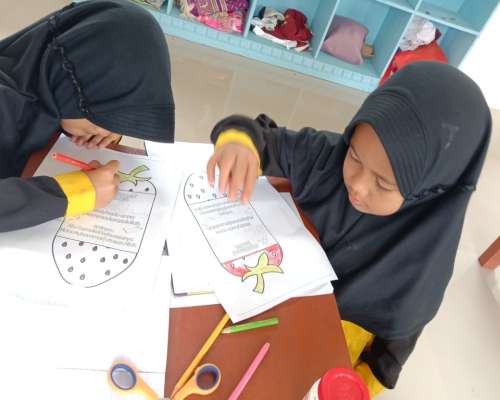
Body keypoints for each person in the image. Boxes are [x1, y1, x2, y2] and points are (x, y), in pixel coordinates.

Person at [206, 62, 491, 396]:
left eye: (383, 184)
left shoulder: (420, 274)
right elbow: (258, 136)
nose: (357, 185)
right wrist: (239, 144)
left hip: (318, 359)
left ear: (430, 190)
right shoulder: (327, 160)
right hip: (252, 309)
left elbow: (383, 364)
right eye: (354, 156)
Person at [0, 0, 174, 232]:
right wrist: (70, 193)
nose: (107, 130)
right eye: (103, 115)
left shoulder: (42, 81)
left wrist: (99, 129)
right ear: (70, 89)